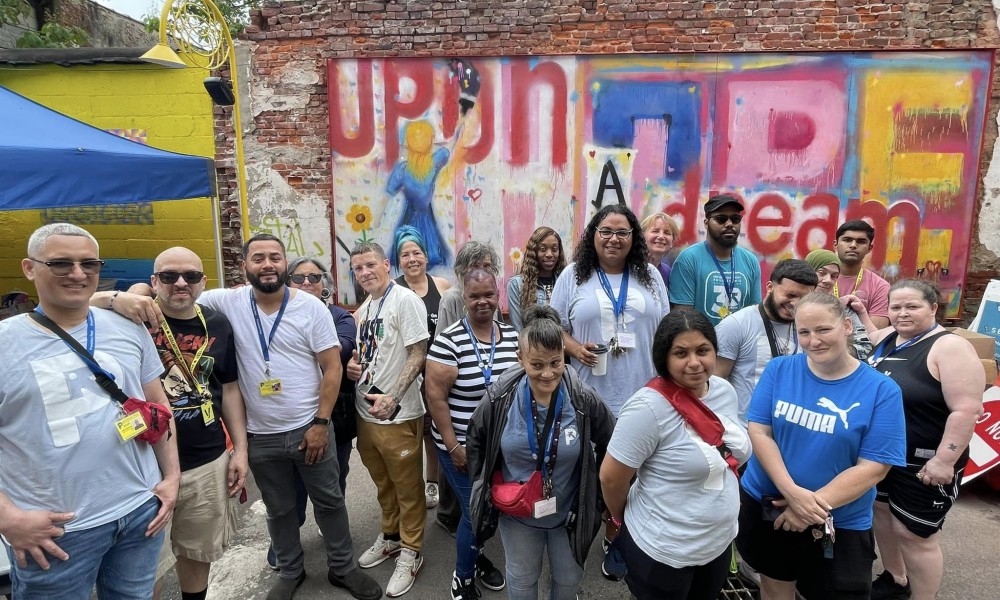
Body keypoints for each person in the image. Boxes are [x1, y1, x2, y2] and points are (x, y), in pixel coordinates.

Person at [125, 233, 380, 600]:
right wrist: (123, 295)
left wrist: (321, 425)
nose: (267, 264)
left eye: (275, 257)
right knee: (278, 509)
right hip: (260, 435)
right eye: (258, 258)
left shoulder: (312, 309)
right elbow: (173, 291)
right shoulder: (225, 301)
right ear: (244, 266)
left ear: (285, 264)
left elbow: (332, 369)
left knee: (330, 503)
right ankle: (291, 571)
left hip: (309, 427)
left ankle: (343, 568)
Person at [0, 223, 179, 599]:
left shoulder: (128, 328)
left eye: (89, 264)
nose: (78, 274)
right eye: (61, 264)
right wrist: (8, 518)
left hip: (139, 511)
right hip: (56, 532)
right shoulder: (6, 344)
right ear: (30, 268)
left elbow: (158, 407)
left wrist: (172, 477)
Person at [736, 292, 907, 600]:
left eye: (823, 329)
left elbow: (874, 468)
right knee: (775, 584)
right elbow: (760, 432)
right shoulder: (779, 370)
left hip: (838, 520)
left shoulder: (882, 390)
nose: (813, 340)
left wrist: (809, 508)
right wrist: (791, 492)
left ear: (847, 326)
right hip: (770, 506)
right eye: (804, 332)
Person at [467, 305, 615, 600]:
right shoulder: (500, 397)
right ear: (520, 359)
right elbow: (476, 440)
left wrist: (596, 497)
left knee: (569, 581)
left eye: (555, 362)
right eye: (536, 365)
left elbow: (611, 440)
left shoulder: (583, 399)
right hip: (517, 515)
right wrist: (486, 487)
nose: (548, 374)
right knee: (521, 582)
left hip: (569, 514)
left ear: (564, 356)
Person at [600, 310, 750, 600]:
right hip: (664, 553)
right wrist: (622, 519)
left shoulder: (724, 391)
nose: (694, 362)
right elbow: (610, 479)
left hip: (718, 545)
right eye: (681, 353)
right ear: (663, 357)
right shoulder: (646, 409)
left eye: (703, 350)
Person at [139, 247, 247, 600]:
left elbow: (228, 389)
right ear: (154, 281)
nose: (181, 283)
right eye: (169, 276)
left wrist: (240, 452)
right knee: (146, 562)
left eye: (191, 276)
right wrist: (115, 298)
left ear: (203, 282)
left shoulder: (217, 323)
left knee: (197, 551)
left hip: (206, 459)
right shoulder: (133, 319)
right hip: (145, 465)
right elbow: (78, 303)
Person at [866, 279, 984, 600]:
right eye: (895, 307)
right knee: (882, 515)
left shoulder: (950, 347)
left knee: (915, 534)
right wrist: (863, 312)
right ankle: (896, 578)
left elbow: (966, 409)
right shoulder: (891, 338)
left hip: (925, 462)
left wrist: (945, 460)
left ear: (933, 308)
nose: (902, 313)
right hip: (883, 457)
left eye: (912, 306)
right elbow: (870, 338)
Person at [426, 268, 518, 600]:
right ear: (464, 297)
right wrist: (453, 447)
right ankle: (462, 577)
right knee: (475, 511)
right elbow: (435, 398)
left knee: (486, 509)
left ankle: (476, 558)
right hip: (461, 447)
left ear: (498, 296)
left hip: (501, 448)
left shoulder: (511, 336)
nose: (482, 302)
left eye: (488, 295)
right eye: (474, 296)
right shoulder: (448, 340)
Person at [344, 242, 429, 598]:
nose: (364, 273)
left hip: (399, 414)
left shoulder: (405, 300)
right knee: (383, 484)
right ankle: (391, 537)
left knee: (409, 489)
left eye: (369, 265)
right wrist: (352, 366)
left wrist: (394, 395)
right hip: (367, 415)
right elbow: (368, 352)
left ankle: (411, 550)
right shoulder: (366, 306)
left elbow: (418, 351)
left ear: (386, 264)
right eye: (358, 268)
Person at [266, 257, 358, 571]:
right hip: (287, 415)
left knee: (334, 477)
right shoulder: (273, 315)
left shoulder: (339, 316)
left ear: (325, 286)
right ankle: (286, 542)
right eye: (299, 277)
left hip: (336, 414)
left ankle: (333, 533)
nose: (307, 283)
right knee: (291, 487)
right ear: (288, 282)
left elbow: (343, 348)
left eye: (314, 277)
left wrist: (294, 350)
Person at [550, 203, 669, 418]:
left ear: (634, 237)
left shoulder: (651, 275)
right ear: (593, 235)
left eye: (622, 232)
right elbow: (553, 328)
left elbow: (666, 330)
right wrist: (576, 349)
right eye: (605, 231)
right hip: (589, 398)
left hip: (646, 396)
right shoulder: (572, 275)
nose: (614, 239)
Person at [433, 240, 502, 537]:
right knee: (456, 466)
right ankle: (449, 516)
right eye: (477, 266)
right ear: (463, 270)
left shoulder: (488, 295)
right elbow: (443, 342)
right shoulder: (452, 298)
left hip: (484, 398)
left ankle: (473, 513)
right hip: (458, 387)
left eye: (488, 265)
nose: (483, 270)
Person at [392, 226, 452, 511]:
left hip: (438, 370)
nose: (412, 258)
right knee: (413, 429)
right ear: (398, 261)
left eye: (417, 252)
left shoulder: (442, 285)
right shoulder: (391, 289)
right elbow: (361, 319)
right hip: (406, 372)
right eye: (405, 254)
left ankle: (433, 481)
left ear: (426, 257)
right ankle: (409, 484)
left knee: (436, 427)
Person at [714, 259, 818, 424]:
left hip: (788, 431)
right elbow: (714, 384)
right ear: (769, 287)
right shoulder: (736, 325)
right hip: (746, 432)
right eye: (790, 295)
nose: (796, 304)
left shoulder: (808, 327)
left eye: (803, 298)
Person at [669, 194, 762, 325]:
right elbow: (683, 319)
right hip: (702, 343)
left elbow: (754, 313)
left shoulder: (750, 261)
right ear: (706, 223)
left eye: (735, 219)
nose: (729, 224)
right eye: (721, 219)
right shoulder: (688, 259)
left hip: (740, 344)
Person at [386, 120, 453, 269]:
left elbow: (390, 189)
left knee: (406, 250)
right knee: (428, 250)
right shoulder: (435, 161)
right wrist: (432, 142)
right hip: (426, 216)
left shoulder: (403, 169)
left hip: (409, 216)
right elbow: (445, 151)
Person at [804, 249, 876, 361]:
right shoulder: (788, 307)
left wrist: (830, 353)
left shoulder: (842, 308)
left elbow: (864, 347)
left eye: (834, 276)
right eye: (821, 273)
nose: (828, 280)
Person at [831, 219, 891, 329]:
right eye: (847, 240)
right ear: (836, 245)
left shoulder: (880, 286)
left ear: (869, 248)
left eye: (861, 241)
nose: (853, 245)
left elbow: (876, 334)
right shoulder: (818, 280)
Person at [506, 226, 567, 331]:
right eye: (543, 249)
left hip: (564, 345)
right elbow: (519, 329)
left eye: (554, 249)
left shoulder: (566, 282)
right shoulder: (516, 284)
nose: (549, 254)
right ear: (534, 252)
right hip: (532, 345)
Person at [641, 212, 680, 287]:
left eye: (667, 233)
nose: (661, 236)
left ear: (672, 242)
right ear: (642, 237)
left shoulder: (666, 272)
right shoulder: (630, 267)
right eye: (655, 231)